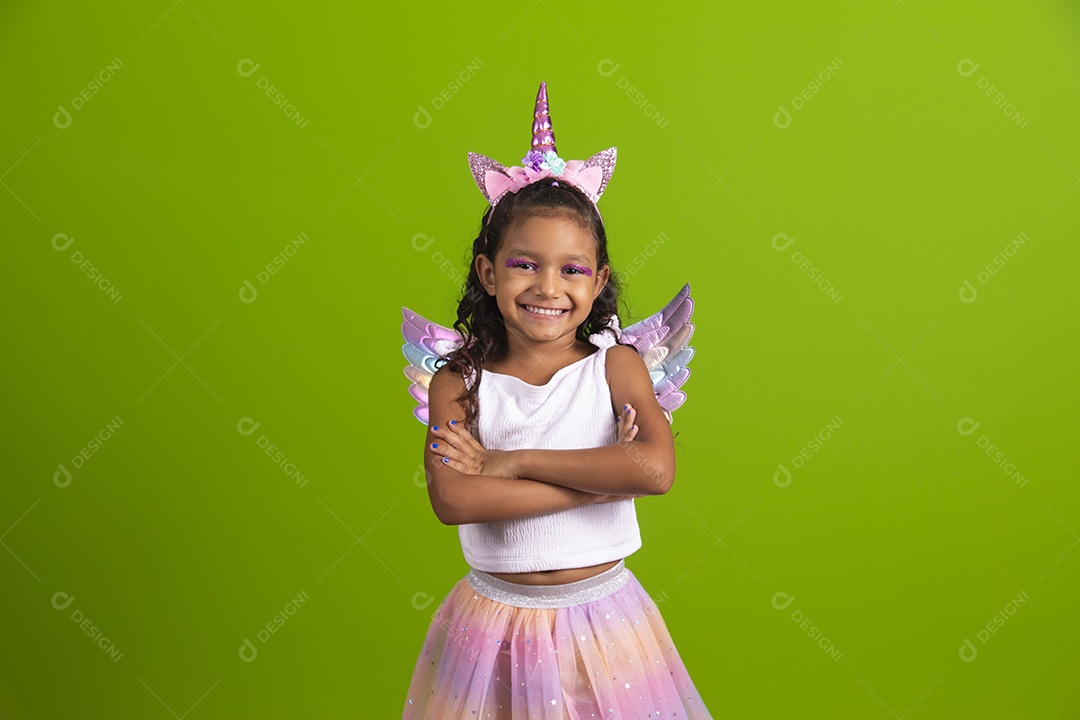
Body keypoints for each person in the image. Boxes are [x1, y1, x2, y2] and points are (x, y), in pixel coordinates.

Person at [400, 82, 710, 718]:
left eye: (571, 270)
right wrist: (602, 482)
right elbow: (456, 498)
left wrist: (507, 463)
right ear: (488, 273)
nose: (548, 286)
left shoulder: (615, 368)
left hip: (603, 621)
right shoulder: (457, 382)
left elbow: (654, 470)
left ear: (597, 283)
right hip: (493, 627)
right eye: (523, 265)